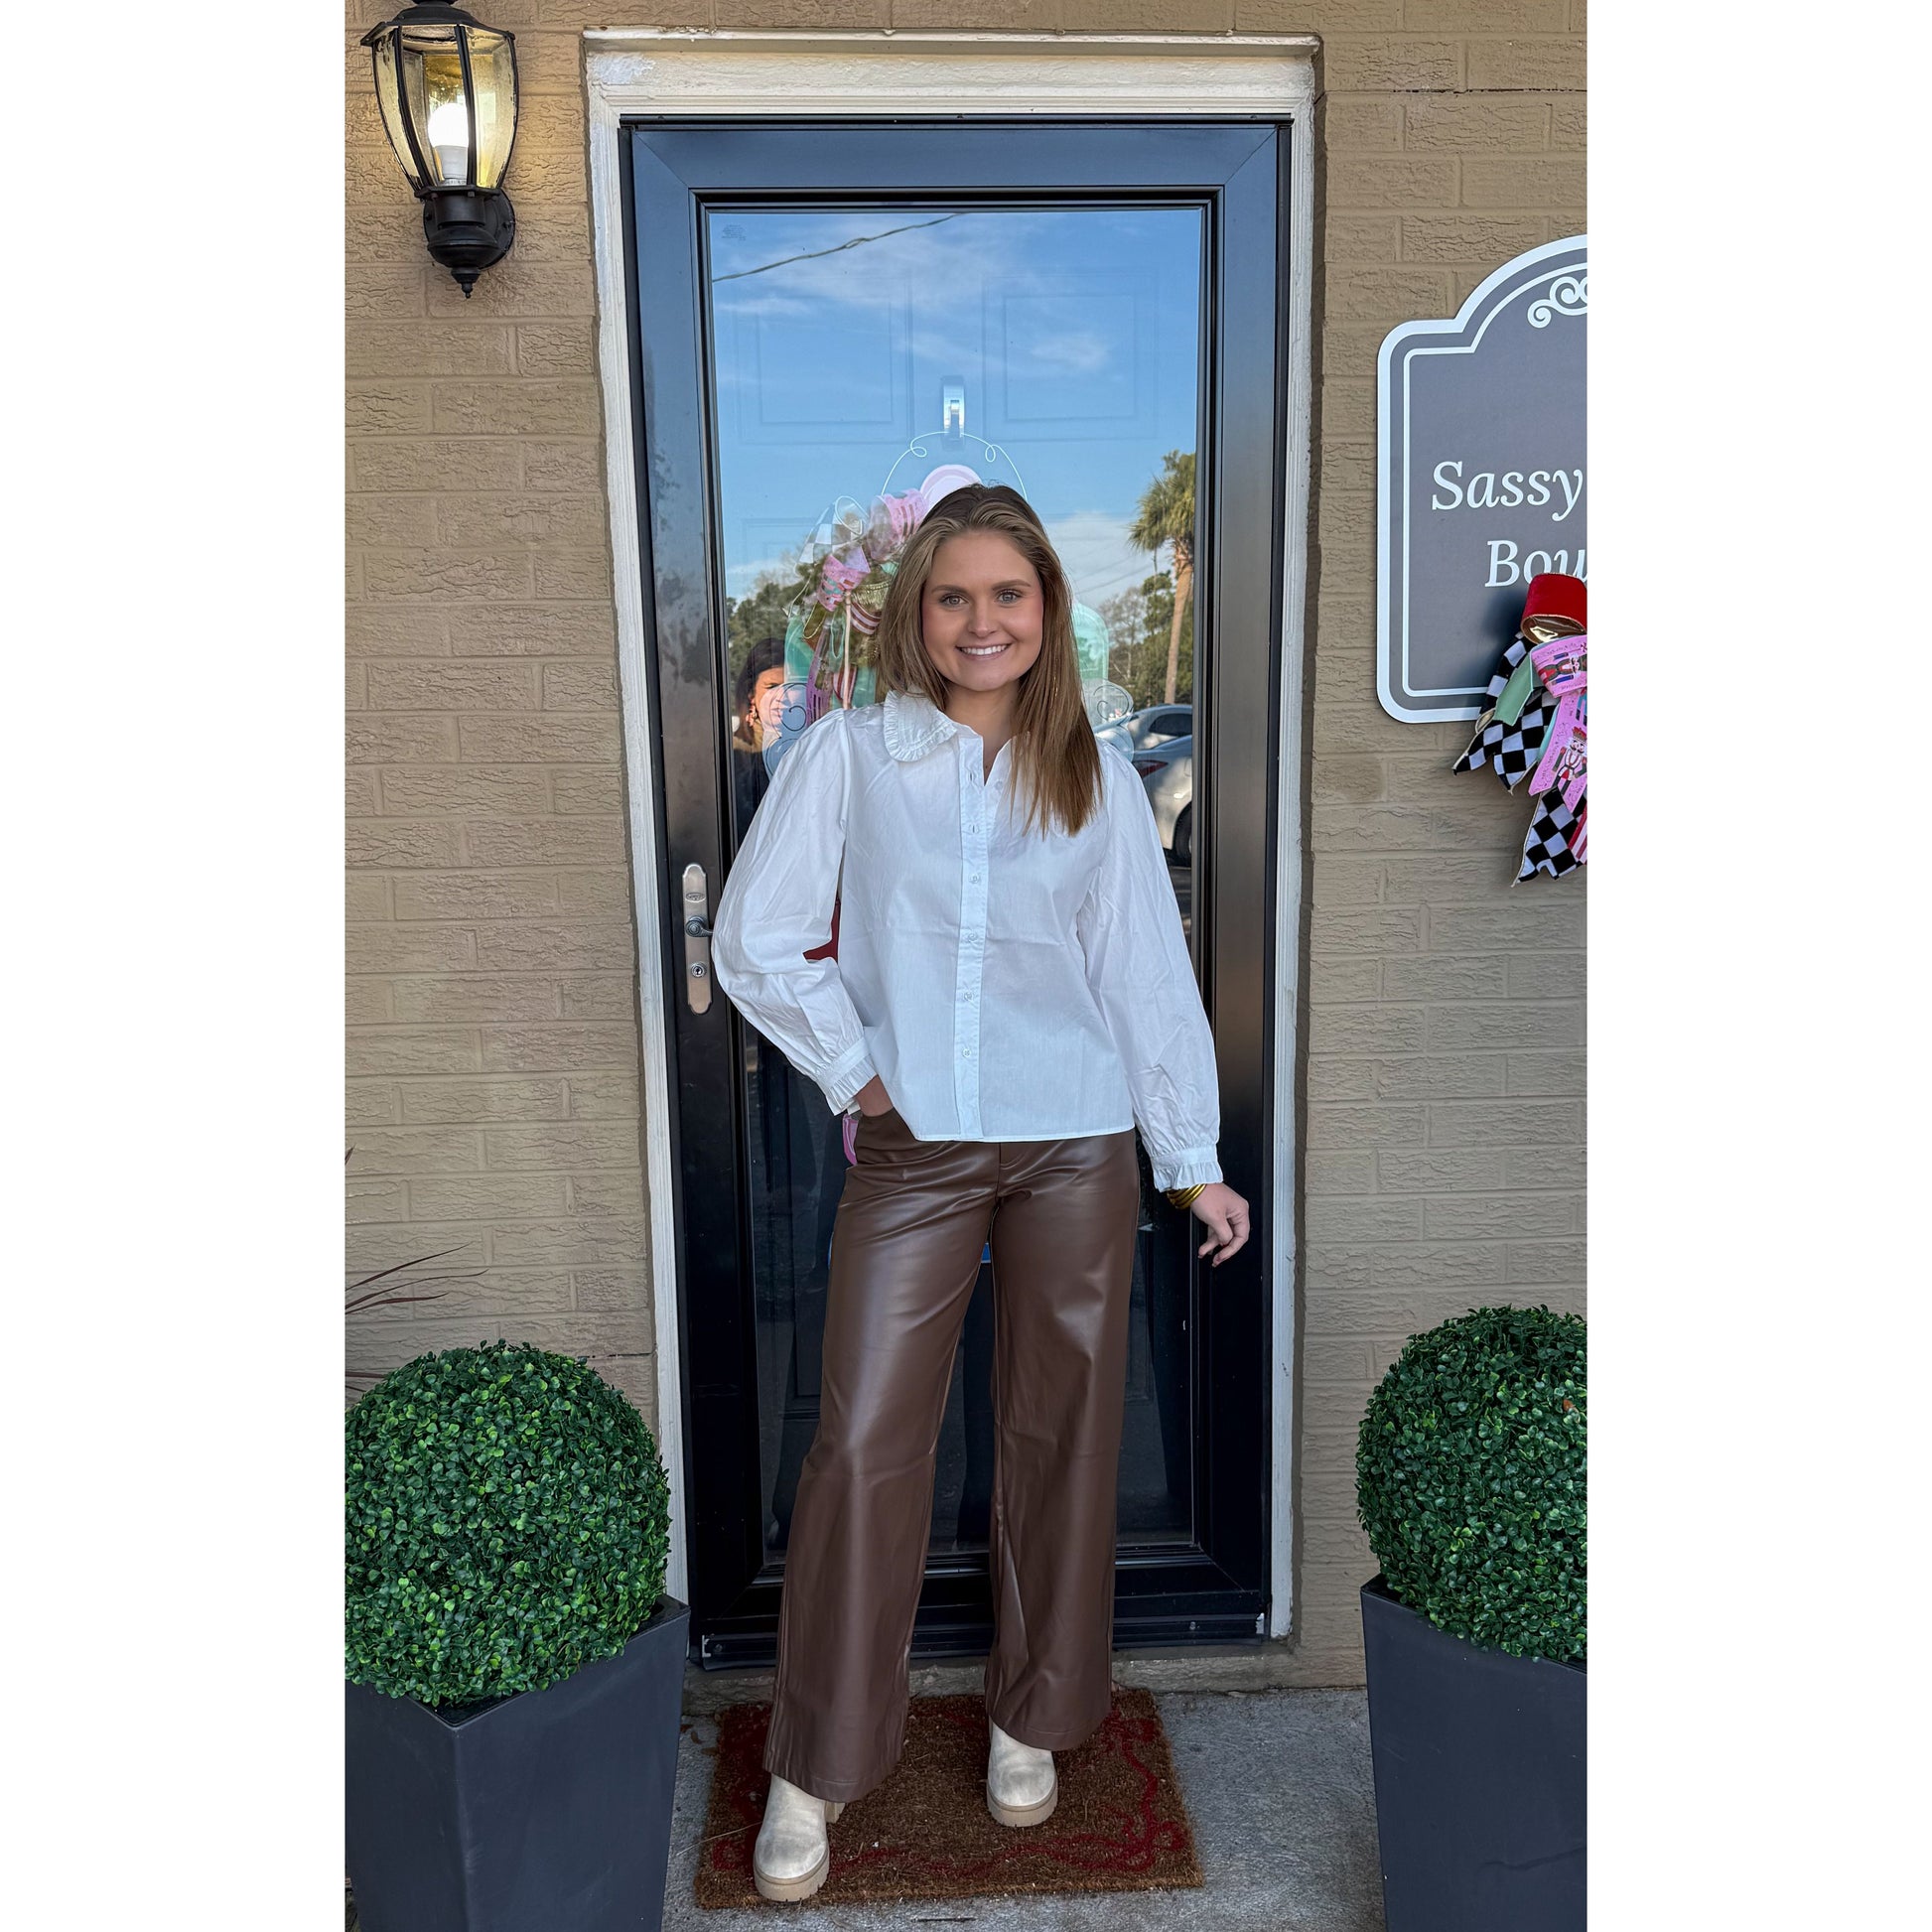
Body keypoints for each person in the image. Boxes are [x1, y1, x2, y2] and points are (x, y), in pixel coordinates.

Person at [710, 483, 1250, 1903]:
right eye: (953, 595)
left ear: (1046, 610)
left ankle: (1033, 1712)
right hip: (919, 1146)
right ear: (916, 610)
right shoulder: (851, 756)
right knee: (861, 1441)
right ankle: (816, 1760)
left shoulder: (1094, 773)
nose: (980, 621)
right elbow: (757, 935)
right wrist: (860, 1075)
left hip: (1075, 1135)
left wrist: (1189, 1159)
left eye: (1007, 594)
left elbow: (1142, 971)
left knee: (1063, 1432)